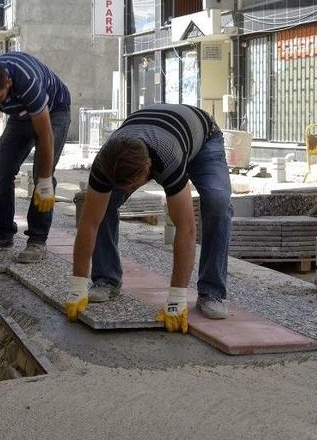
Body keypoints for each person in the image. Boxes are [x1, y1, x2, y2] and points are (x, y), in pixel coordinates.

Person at [65, 104, 233, 332]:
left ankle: (212, 292)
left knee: (217, 203)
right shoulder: (105, 162)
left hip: (204, 140)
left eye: (131, 185)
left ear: (148, 168)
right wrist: (77, 285)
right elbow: (89, 224)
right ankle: (106, 279)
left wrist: (176, 299)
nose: (127, 190)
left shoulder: (167, 159)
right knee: (104, 204)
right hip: (159, 132)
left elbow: (186, 229)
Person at [0, 52, 71, 263]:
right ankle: (2, 233)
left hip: (54, 111)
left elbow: (45, 135)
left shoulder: (27, 81)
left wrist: (45, 181)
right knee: (2, 169)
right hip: (20, 114)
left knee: (42, 174)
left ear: (8, 83)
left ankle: (37, 240)